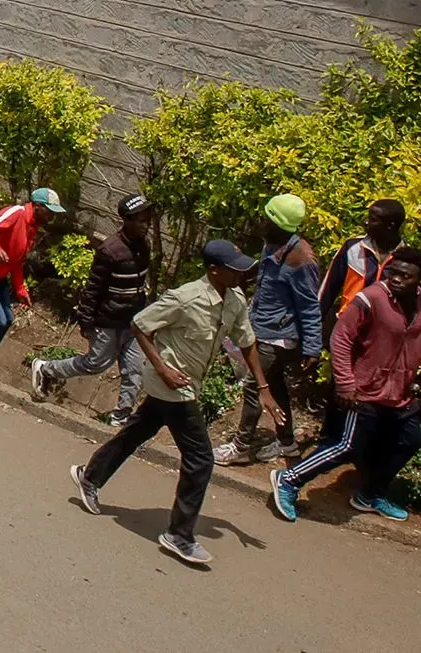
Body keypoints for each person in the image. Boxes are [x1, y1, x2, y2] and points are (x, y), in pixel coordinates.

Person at [69, 240, 285, 568]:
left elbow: (247, 341)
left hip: (188, 384)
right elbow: (140, 324)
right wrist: (163, 368)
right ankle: (179, 534)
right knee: (200, 459)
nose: (243, 272)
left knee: (137, 432)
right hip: (172, 385)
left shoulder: (235, 298)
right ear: (214, 270)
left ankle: (90, 476)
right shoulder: (185, 298)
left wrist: (264, 387)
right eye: (234, 267)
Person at [271, 245, 421, 524]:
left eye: (406, 276)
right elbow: (340, 339)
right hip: (363, 391)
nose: (396, 279)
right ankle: (289, 479)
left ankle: (369, 495)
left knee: (409, 441)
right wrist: (345, 383)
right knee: (347, 445)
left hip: (399, 394)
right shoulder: (370, 299)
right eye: (394, 272)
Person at [214, 194, 323, 465]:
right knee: (275, 388)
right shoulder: (273, 244)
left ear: (277, 223)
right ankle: (287, 443)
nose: (262, 221)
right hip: (262, 327)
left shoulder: (301, 259)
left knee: (254, 386)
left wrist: (312, 347)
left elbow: (310, 306)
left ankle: (240, 446)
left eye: (267, 217)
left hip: (278, 337)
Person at [31, 195, 153, 425]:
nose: (145, 225)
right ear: (126, 220)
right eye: (140, 220)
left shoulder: (144, 246)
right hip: (108, 321)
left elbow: (141, 284)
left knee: (135, 370)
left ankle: (122, 417)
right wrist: (86, 322)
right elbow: (93, 289)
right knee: (95, 364)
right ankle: (46, 369)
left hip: (135, 322)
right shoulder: (110, 251)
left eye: (147, 219)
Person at [0, 188, 66, 375]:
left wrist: (21, 289)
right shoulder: (16, 212)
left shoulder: (32, 228)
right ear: (37, 206)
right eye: (50, 211)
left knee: (7, 320)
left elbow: (17, 262)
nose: (52, 216)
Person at [320, 198, 407, 342]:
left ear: (390, 226)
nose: (366, 222)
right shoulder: (352, 248)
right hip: (347, 333)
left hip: (383, 341)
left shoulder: (406, 260)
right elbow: (326, 293)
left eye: (373, 220)